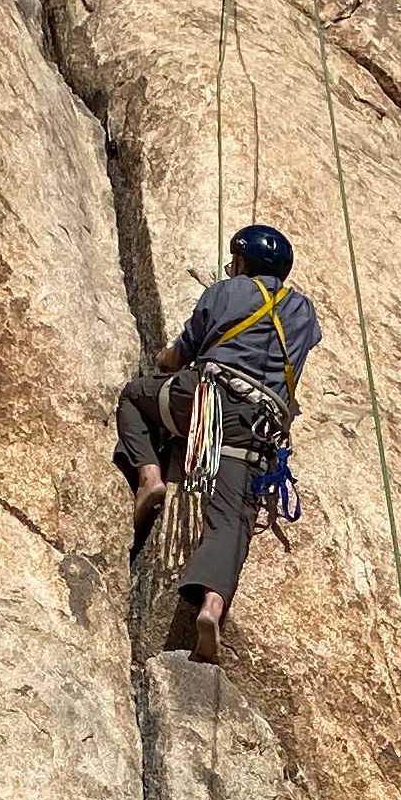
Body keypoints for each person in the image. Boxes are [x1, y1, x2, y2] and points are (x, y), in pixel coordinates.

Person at [115, 222, 322, 663]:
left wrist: (164, 360)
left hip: (205, 402)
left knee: (134, 398)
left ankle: (149, 476)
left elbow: (180, 355)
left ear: (243, 262)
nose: (231, 267)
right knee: (232, 519)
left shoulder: (227, 291)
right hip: (256, 427)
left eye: (235, 260)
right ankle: (211, 607)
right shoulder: (303, 312)